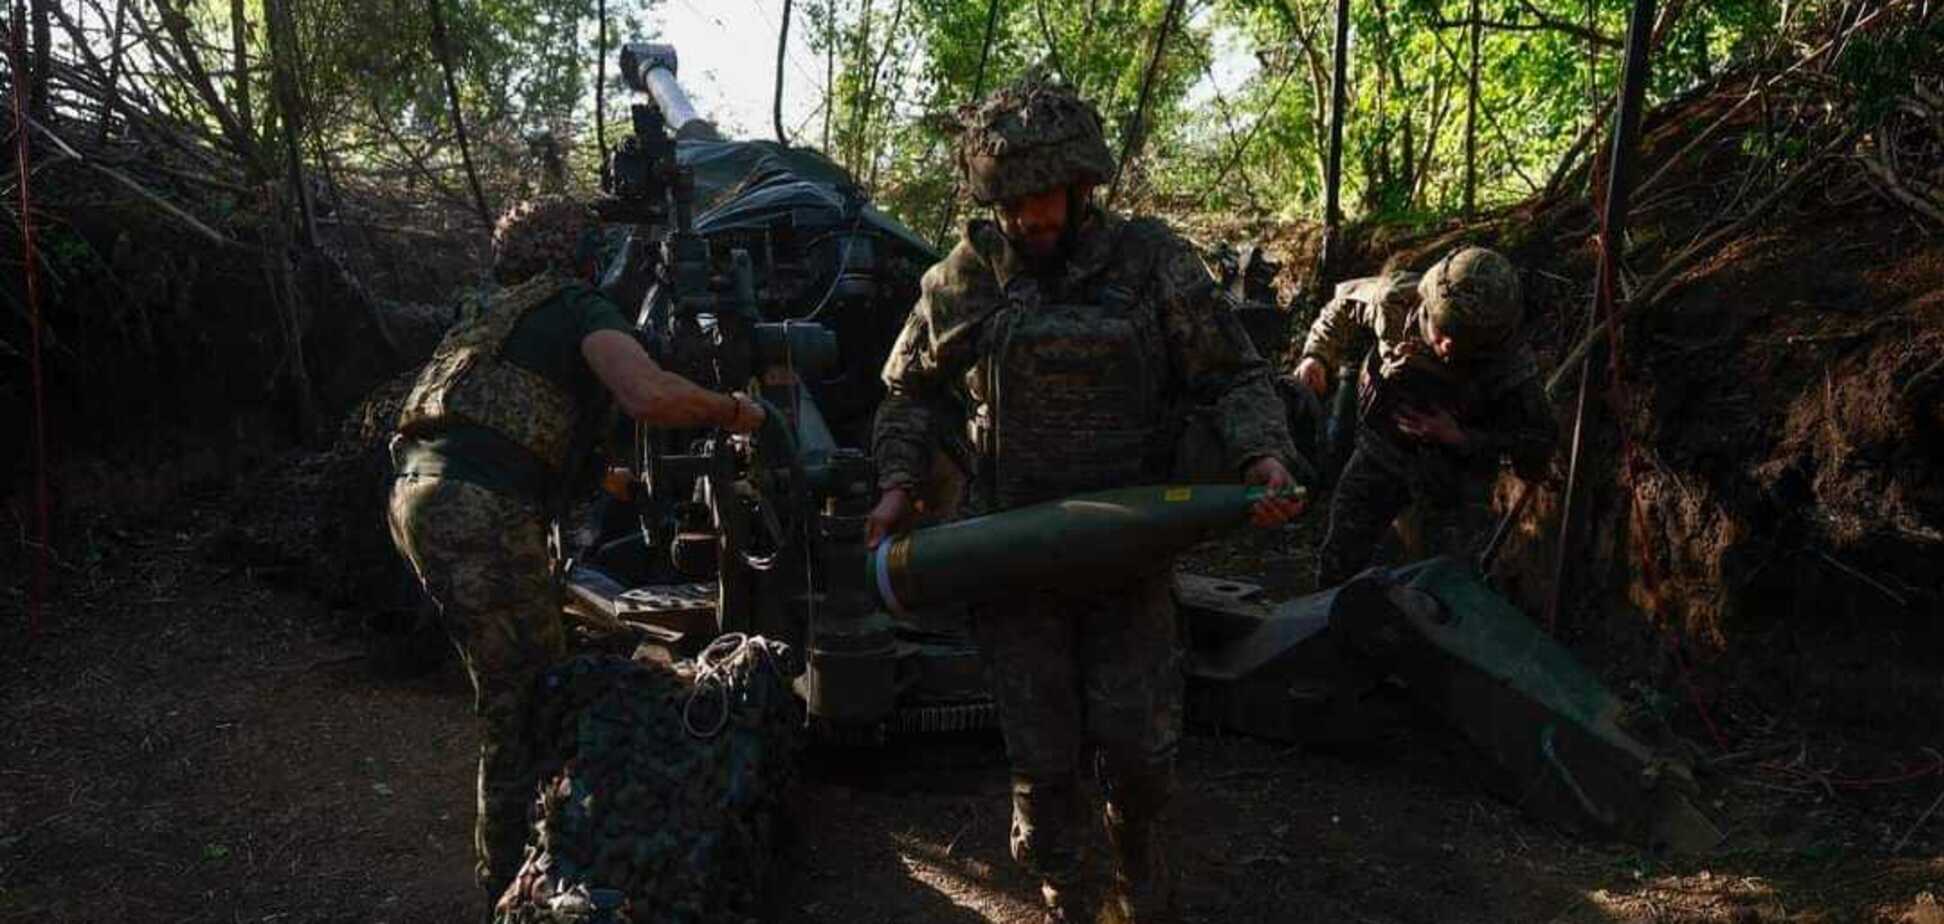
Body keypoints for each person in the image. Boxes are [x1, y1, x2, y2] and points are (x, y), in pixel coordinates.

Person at [866, 74, 1308, 923]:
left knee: (1140, 751)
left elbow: (1231, 374)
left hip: (1127, 551)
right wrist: (895, 486)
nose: (1038, 217)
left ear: (1083, 186)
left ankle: (1138, 855)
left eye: (1053, 197)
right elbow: (908, 396)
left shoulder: (1151, 263)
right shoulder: (963, 280)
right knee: (1043, 758)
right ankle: (1069, 893)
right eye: (1019, 200)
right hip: (1013, 556)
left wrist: (1263, 456)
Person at [384, 195, 765, 913]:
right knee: (522, 702)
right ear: (583, 257)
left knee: (526, 673)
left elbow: (551, 432)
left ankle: (527, 860)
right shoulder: (575, 305)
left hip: (416, 494)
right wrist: (734, 410)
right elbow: (646, 394)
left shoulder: (492, 316)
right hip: (476, 507)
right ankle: (512, 887)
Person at [1289, 246, 1557, 589]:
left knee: (1447, 585)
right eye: (1442, 331)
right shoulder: (1396, 302)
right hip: (1379, 453)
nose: (1446, 347)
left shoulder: (1511, 367)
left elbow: (1537, 445)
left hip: (1455, 480)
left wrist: (1462, 437)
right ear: (1427, 306)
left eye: (1463, 342)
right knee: (1340, 560)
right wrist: (1316, 356)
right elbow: (1342, 307)